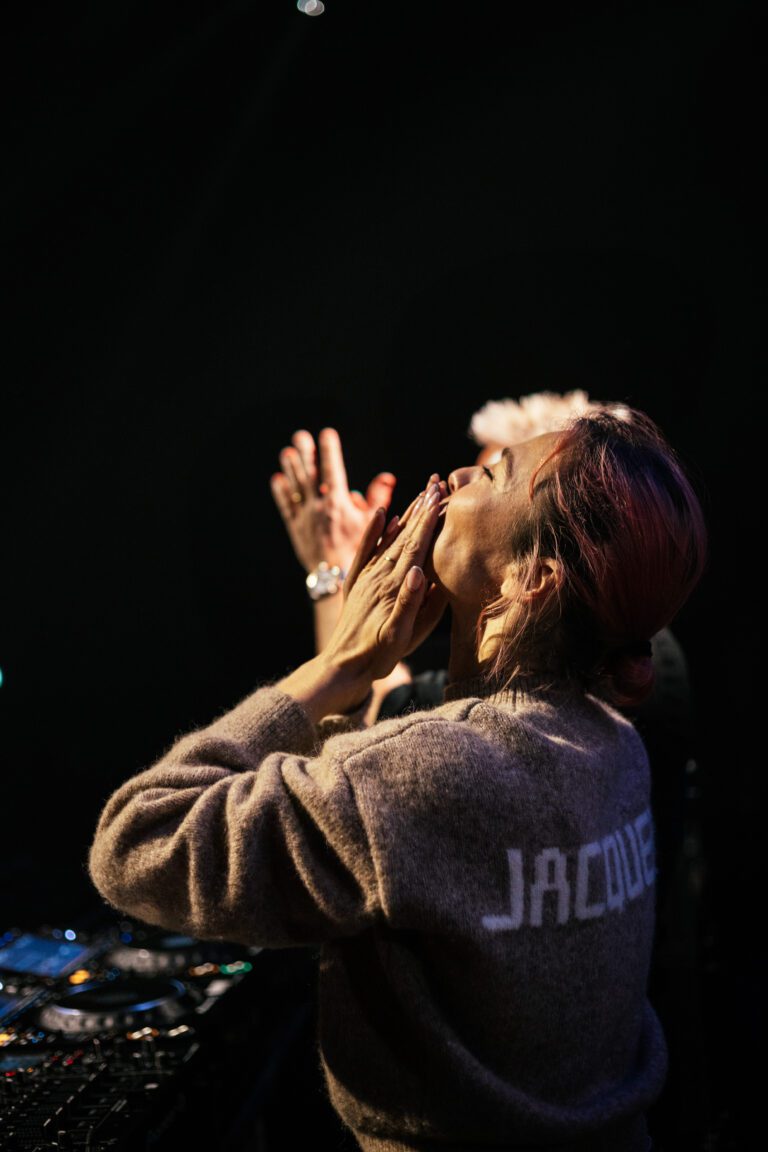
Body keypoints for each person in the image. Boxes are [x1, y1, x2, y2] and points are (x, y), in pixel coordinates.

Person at [88, 405, 707, 1152]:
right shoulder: (613, 748)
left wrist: (337, 663)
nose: (455, 477)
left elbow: (136, 841)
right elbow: (385, 784)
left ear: (532, 580)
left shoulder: (432, 771)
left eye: (494, 473)